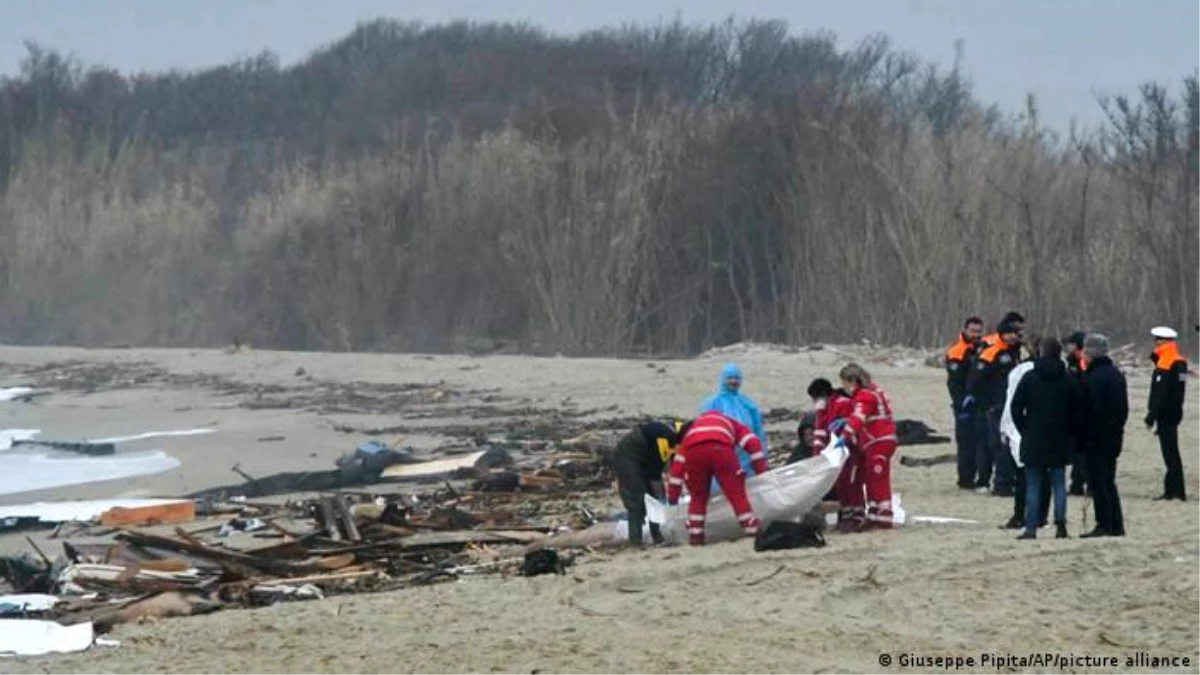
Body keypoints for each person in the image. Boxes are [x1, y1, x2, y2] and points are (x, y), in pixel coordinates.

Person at [1010, 338, 1080, 540]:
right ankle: (1061, 525)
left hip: (1034, 435)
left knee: (1033, 483)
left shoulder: (1030, 377)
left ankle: (1031, 527)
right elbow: (1076, 409)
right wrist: (1070, 431)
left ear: (1041, 353)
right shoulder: (1068, 379)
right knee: (1058, 483)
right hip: (1059, 436)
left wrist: (1024, 428)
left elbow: (1016, 407)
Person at [665, 410, 768, 546]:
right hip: (721, 449)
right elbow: (753, 443)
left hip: (694, 454)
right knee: (736, 494)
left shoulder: (689, 437)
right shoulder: (730, 422)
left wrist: (673, 499)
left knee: (698, 498)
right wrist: (762, 473)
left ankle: (696, 536)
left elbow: (676, 472)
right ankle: (750, 528)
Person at [837, 363, 899, 530]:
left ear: (852, 381)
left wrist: (845, 435)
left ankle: (884, 514)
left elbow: (858, 418)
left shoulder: (864, 396)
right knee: (875, 476)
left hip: (877, 440)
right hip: (884, 439)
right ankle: (874, 512)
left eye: (845, 383)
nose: (845, 387)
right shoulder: (876, 391)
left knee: (877, 476)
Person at [965, 321, 1022, 496]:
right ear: (1003, 334)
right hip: (995, 407)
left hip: (1009, 404)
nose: (1015, 336)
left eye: (1016, 333)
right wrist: (987, 403)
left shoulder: (1013, 351)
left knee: (1007, 443)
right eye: (1011, 333)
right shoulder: (992, 351)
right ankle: (989, 481)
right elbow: (975, 380)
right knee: (993, 444)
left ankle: (1006, 479)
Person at [999, 336, 1050, 530]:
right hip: (1048, 430)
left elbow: (1011, 402)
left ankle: (1021, 515)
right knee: (1045, 475)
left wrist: (1004, 428)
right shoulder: (1060, 370)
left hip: (1022, 429)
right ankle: (1042, 516)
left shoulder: (1020, 372)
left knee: (1023, 476)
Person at [1080, 334, 1127, 537]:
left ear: (1089, 353)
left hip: (1098, 438)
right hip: (1114, 436)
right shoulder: (1116, 374)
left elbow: (1093, 410)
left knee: (1099, 482)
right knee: (1109, 481)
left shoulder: (1095, 377)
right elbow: (1122, 410)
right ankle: (1116, 524)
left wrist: (1088, 436)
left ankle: (1104, 524)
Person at [607, 419, 681, 546]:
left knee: (654, 499)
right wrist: (661, 495)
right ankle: (636, 542)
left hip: (647, 457)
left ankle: (657, 536)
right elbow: (655, 473)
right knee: (637, 500)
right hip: (629, 457)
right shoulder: (664, 440)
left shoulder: (680, 434)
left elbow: (674, 465)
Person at [699, 363, 767, 484]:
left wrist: (761, 454)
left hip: (746, 455)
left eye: (736, 378)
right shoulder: (713, 403)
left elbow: (758, 430)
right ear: (723, 379)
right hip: (722, 454)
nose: (733, 381)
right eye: (730, 378)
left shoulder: (747, 403)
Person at [1146, 326, 1189, 501]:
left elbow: (1163, 392)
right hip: (1171, 413)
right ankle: (1172, 489)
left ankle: (1176, 491)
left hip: (1167, 414)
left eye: (1157, 340)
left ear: (1164, 341)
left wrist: (1153, 414)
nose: (1155, 343)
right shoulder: (1173, 361)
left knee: (1170, 452)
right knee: (1170, 452)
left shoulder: (1171, 362)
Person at [946, 316, 985, 490]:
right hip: (963, 404)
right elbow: (953, 383)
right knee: (966, 442)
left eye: (979, 331)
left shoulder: (982, 349)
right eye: (973, 331)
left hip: (980, 401)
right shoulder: (957, 351)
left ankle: (978, 476)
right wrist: (961, 403)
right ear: (965, 330)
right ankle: (965, 479)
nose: (976, 334)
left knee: (980, 441)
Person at [807, 377, 856, 508]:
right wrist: (817, 455)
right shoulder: (823, 409)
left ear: (823, 395)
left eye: (815, 398)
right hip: (834, 449)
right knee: (839, 482)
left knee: (847, 481)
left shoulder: (843, 404)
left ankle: (850, 510)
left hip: (848, 448)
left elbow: (847, 429)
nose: (814, 402)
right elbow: (820, 432)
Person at [1064, 331, 1089, 496]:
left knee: (1081, 451)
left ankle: (1079, 482)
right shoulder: (1073, 362)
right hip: (1076, 411)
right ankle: (1077, 482)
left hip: (1081, 412)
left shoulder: (1081, 363)